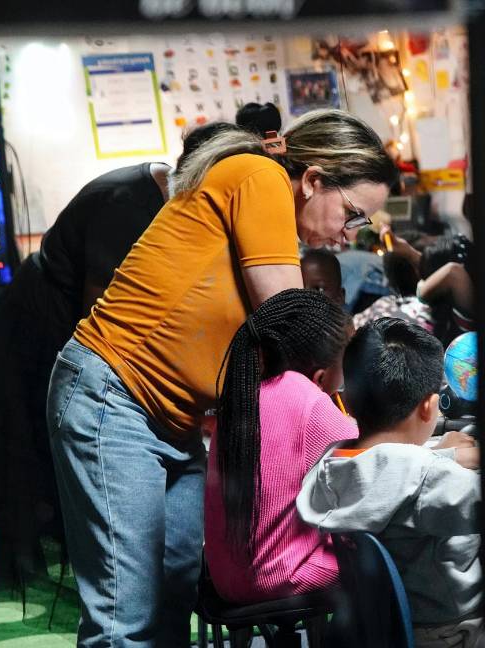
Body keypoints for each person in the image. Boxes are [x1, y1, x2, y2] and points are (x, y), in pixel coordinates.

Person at [46, 109, 397, 646]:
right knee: (126, 617)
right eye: (352, 215)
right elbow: (292, 323)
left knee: (175, 593)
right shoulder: (258, 178)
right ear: (315, 179)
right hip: (112, 397)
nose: (348, 236)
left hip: (177, 421)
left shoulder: (270, 207)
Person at [0, 120, 235, 596]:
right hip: (44, 330)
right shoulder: (128, 202)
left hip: (80, 333)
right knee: (39, 454)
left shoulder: (179, 204)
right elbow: (104, 318)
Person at [297, 318, 483, 647]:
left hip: (383, 627)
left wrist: (443, 457)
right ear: (429, 407)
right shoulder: (432, 480)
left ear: (349, 402)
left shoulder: (333, 465)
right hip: (455, 632)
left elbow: (389, 468)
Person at [203, 288, 354, 603]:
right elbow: (371, 456)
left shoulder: (242, 397)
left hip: (222, 580)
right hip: (279, 577)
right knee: (389, 555)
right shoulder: (308, 400)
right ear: (322, 376)